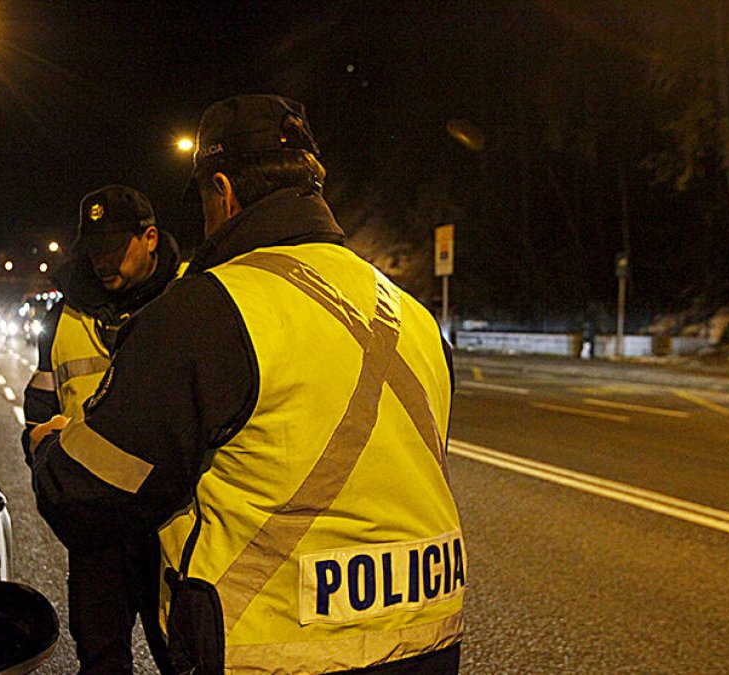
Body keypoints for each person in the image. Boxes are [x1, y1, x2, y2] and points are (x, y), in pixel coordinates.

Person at [30, 94, 464, 674]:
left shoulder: (207, 311)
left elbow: (88, 496)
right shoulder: (412, 315)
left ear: (223, 192)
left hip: (273, 654)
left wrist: (47, 452)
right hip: (429, 644)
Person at [22, 184, 181, 674]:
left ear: (150, 238)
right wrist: (42, 449)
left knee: (184, 658)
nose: (101, 262)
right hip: (96, 528)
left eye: (114, 248)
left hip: (173, 528)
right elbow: (40, 402)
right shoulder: (64, 314)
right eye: (93, 250)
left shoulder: (191, 299)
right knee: (100, 661)